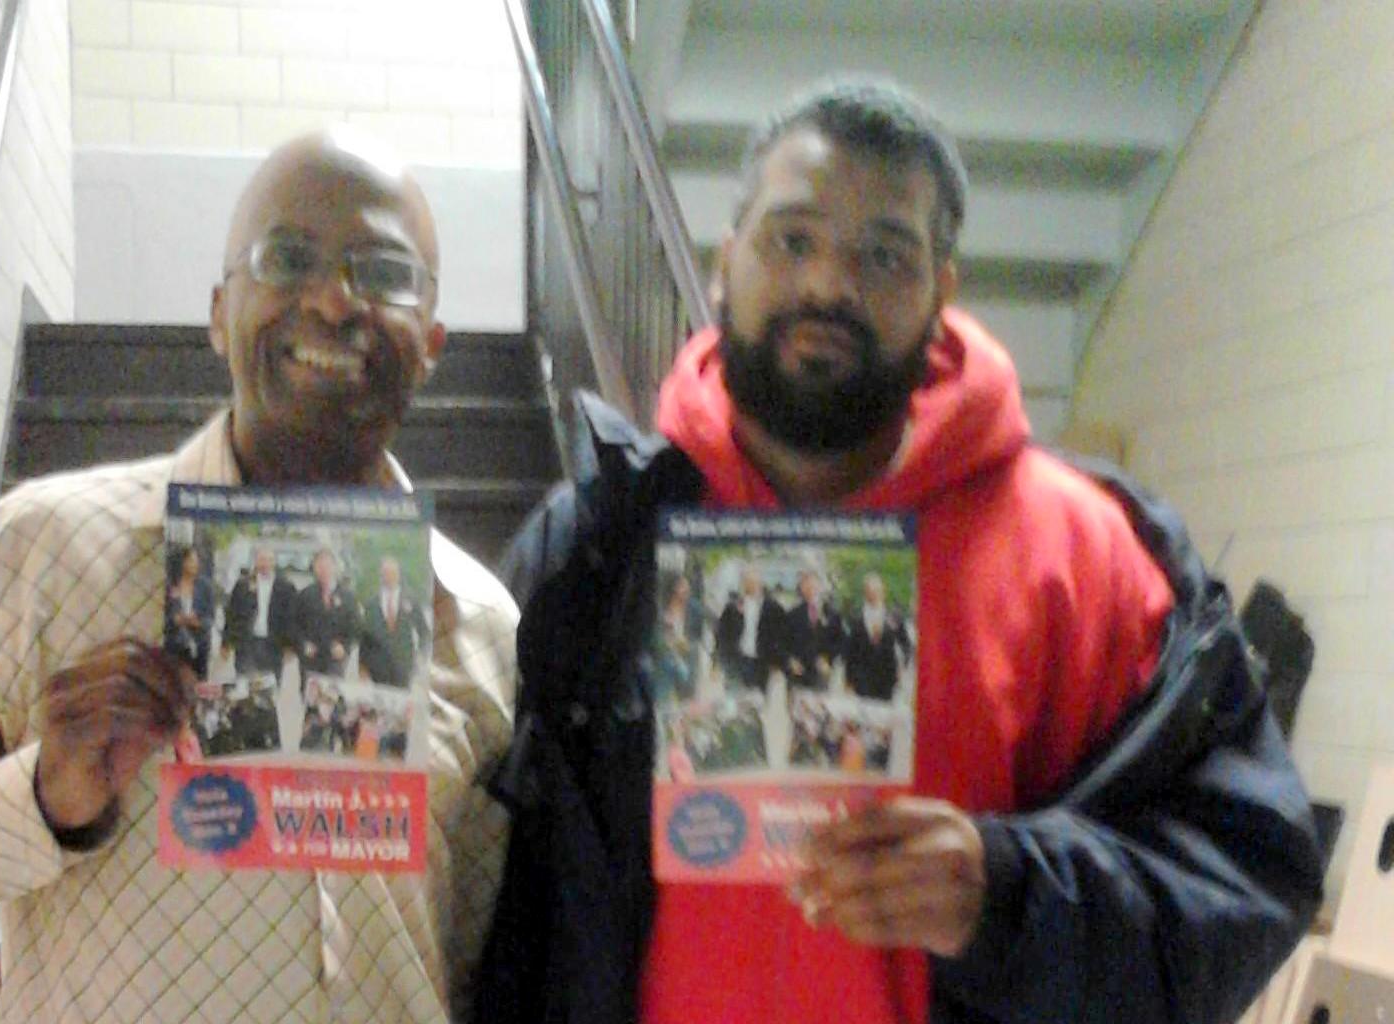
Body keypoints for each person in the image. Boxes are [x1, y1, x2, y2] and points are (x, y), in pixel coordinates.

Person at [478, 80, 1322, 1024]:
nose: (829, 286)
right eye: (792, 239)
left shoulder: (1088, 555)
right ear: (726, 263)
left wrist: (1007, 894)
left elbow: (1251, 874)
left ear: (940, 291)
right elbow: (490, 887)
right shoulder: (600, 539)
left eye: (883, 254)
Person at [0, 128, 517, 1024]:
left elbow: (485, 956)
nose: (333, 300)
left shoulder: (483, 629)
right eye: (288, 258)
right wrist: (42, 798)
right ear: (217, 313)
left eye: (384, 272)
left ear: (432, 341)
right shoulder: (44, 552)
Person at [220, 545, 297, 677]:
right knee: (245, 685)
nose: (265, 564)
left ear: (274, 562)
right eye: (261, 559)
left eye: (269, 560)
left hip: (273, 646)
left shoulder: (286, 587)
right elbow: (231, 614)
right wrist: (226, 642)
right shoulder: (242, 585)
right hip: (247, 644)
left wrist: (290, 645)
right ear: (255, 562)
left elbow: (291, 618)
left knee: (269, 688)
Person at [357, 555, 430, 687]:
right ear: (381, 576)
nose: (389, 577)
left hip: (403, 667)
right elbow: (364, 637)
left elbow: (424, 631)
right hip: (378, 668)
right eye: (385, 573)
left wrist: (421, 654)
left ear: (399, 575)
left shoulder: (411, 600)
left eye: (392, 573)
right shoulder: (371, 603)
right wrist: (362, 666)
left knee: (401, 705)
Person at [712, 563, 785, 691]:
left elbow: (780, 637)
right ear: (742, 583)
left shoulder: (773, 608)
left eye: (754, 581)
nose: (751, 585)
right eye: (747, 581)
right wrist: (717, 663)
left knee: (756, 703)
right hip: (737, 661)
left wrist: (777, 664)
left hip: (761, 663)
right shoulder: (732, 607)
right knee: (734, 701)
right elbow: (721, 635)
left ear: (761, 582)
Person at [843, 571, 912, 701]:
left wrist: (902, 667)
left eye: (877, 590)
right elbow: (849, 652)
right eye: (870, 590)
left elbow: (906, 645)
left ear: (883, 592)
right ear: (865, 593)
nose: (873, 594)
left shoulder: (895, 616)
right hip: (861, 680)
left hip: (887, 680)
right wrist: (848, 681)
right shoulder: (856, 618)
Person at [293, 546, 359, 679]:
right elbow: (294, 624)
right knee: (310, 696)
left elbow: (355, 627)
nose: (324, 570)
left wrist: (344, 646)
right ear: (315, 568)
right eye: (320, 566)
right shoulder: (305, 595)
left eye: (327, 566)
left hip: (335, 659)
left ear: (335, 567)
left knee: (331, 696)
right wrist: (303, 644)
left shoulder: (348, 597)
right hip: (311, 658)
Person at [783, 568, 845, 689]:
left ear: (820, 587)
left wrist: (828, 659)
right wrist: (790, 660)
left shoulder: (832, 614)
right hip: (797, 673)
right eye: (805, 585)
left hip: (821, 674)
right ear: (801, 588)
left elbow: (841, 642)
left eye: (813, 584)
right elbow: (782, 643)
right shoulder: (792, 614)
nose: (810, 588)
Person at [163, 544, 216, 675]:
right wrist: (175, 620)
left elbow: (210, 617)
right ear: (182, 562)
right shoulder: (169, 587)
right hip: (174, 646)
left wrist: (197, 622)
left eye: (197, 561)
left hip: (199, 646)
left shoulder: (205, 587)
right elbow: (163, 615)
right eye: (191, 560)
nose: (196, 564)